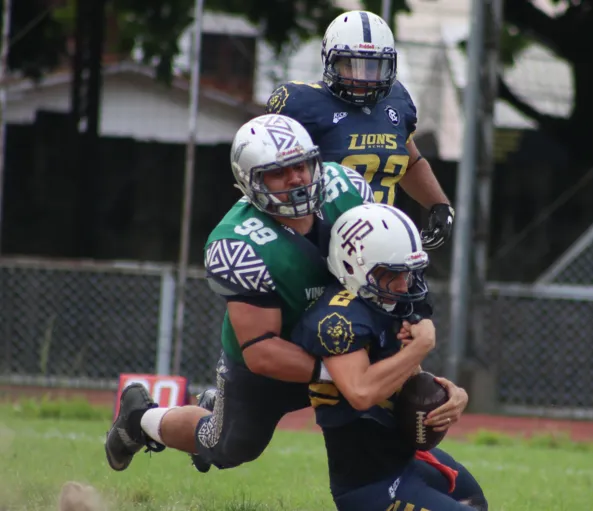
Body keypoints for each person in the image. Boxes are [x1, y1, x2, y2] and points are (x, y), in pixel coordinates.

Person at [104, 113, 376, 472]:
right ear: (251, 181)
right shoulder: (237, 244)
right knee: (228, 447)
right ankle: (140, 419)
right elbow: (262, 351)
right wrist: (338, 375)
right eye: (279, 172)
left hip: (342, 333)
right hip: (270, 358)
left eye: (301, 165)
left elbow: (390, 270)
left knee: (408, 398)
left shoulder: (349, 190)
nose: (296, 178)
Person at [291, 203, 488, 510]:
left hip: (403, 459)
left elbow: (407, 376)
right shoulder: (338, 318)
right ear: (353, 266)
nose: (402, 285)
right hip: (371, 485)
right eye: (391, 274)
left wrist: (451, 393)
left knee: (474, 501)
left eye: (407, 273)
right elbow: (361, 392)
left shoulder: (383, 301)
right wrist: (420, 346)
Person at [265, 10, 455, 251]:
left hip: (383, 246)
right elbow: (266, 173)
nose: (363, 77)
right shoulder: (302, 105)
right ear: (330, 61)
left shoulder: (396, 101)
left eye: (373, 66)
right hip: (321, 246)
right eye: (351, 65)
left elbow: (411, 163)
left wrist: (439, 205)